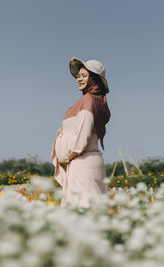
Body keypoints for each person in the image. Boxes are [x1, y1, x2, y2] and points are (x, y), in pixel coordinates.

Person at [51, 57, 111, 208]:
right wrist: (64, 132)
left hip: (82, 163)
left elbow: (83, 137)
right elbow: (84, 128)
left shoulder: (88, 101)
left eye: (84, 76)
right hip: (83, 162)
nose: (79, 79)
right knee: (90, 209)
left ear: (94, 79)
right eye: (78, 76)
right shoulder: (94, 100)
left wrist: (66, 156)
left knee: (82, 209)